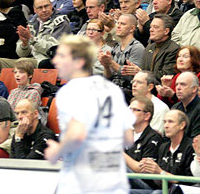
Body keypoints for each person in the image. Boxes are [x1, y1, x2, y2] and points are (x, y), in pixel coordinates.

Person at [44, 35, 133, 194]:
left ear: (79, 62)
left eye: (62, 56)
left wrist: (57, 150)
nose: (55, 61)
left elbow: (77, 134)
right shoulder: (111, 89)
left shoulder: (70, 91)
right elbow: (128, 137)